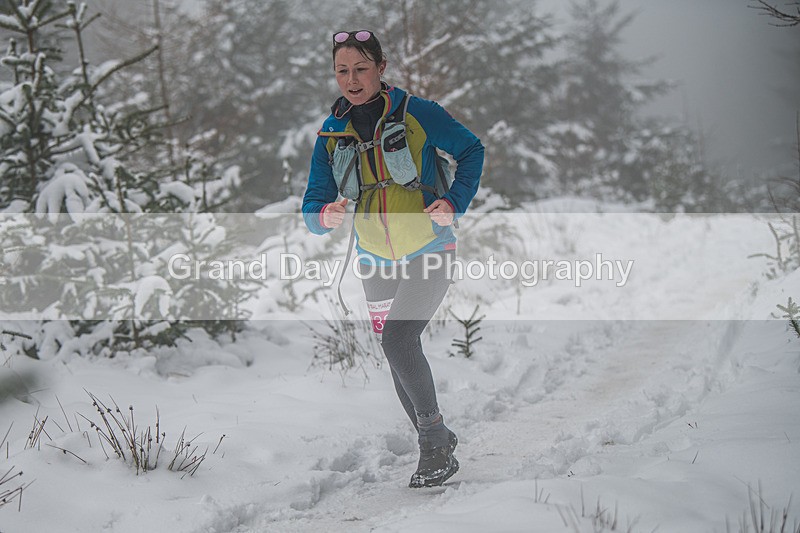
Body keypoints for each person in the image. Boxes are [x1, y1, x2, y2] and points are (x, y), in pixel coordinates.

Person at [302, 29, 484, 488]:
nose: (352, 80)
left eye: (361, 69)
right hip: (374, 260)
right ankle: (436, 438)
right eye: (342, 71)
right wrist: (324, 215)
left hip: (430, 249)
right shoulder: (331, 133)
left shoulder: (418, 113)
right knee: (397, 351)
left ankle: (434, 442)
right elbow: (311, 204)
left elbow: (472, 150)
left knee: (399, 341)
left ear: (381, 69)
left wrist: (454, 203)